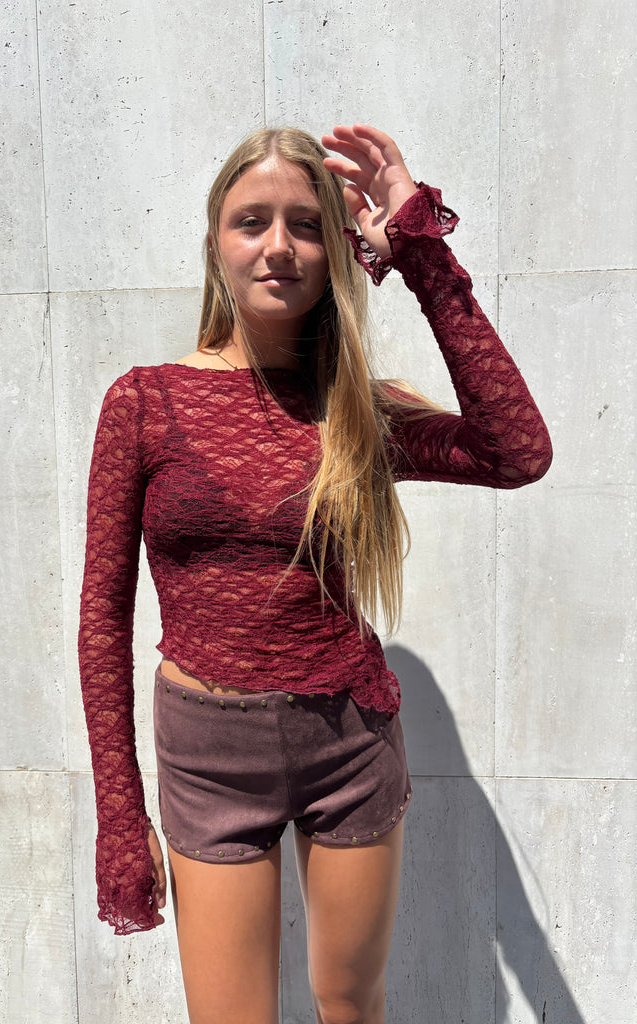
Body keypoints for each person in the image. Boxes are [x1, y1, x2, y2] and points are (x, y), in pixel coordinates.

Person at [78, 123, 552, 1024]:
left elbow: (517, 451)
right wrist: (119, 812)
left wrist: (419, 253)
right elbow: (103, 615)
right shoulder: (144, 403)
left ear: (336, 246)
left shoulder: (357, 409)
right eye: (252, 220)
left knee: (350, 1002)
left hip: (349, 737)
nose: (279, 246)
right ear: (216, 240)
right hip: (209, 753)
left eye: (305, 224)